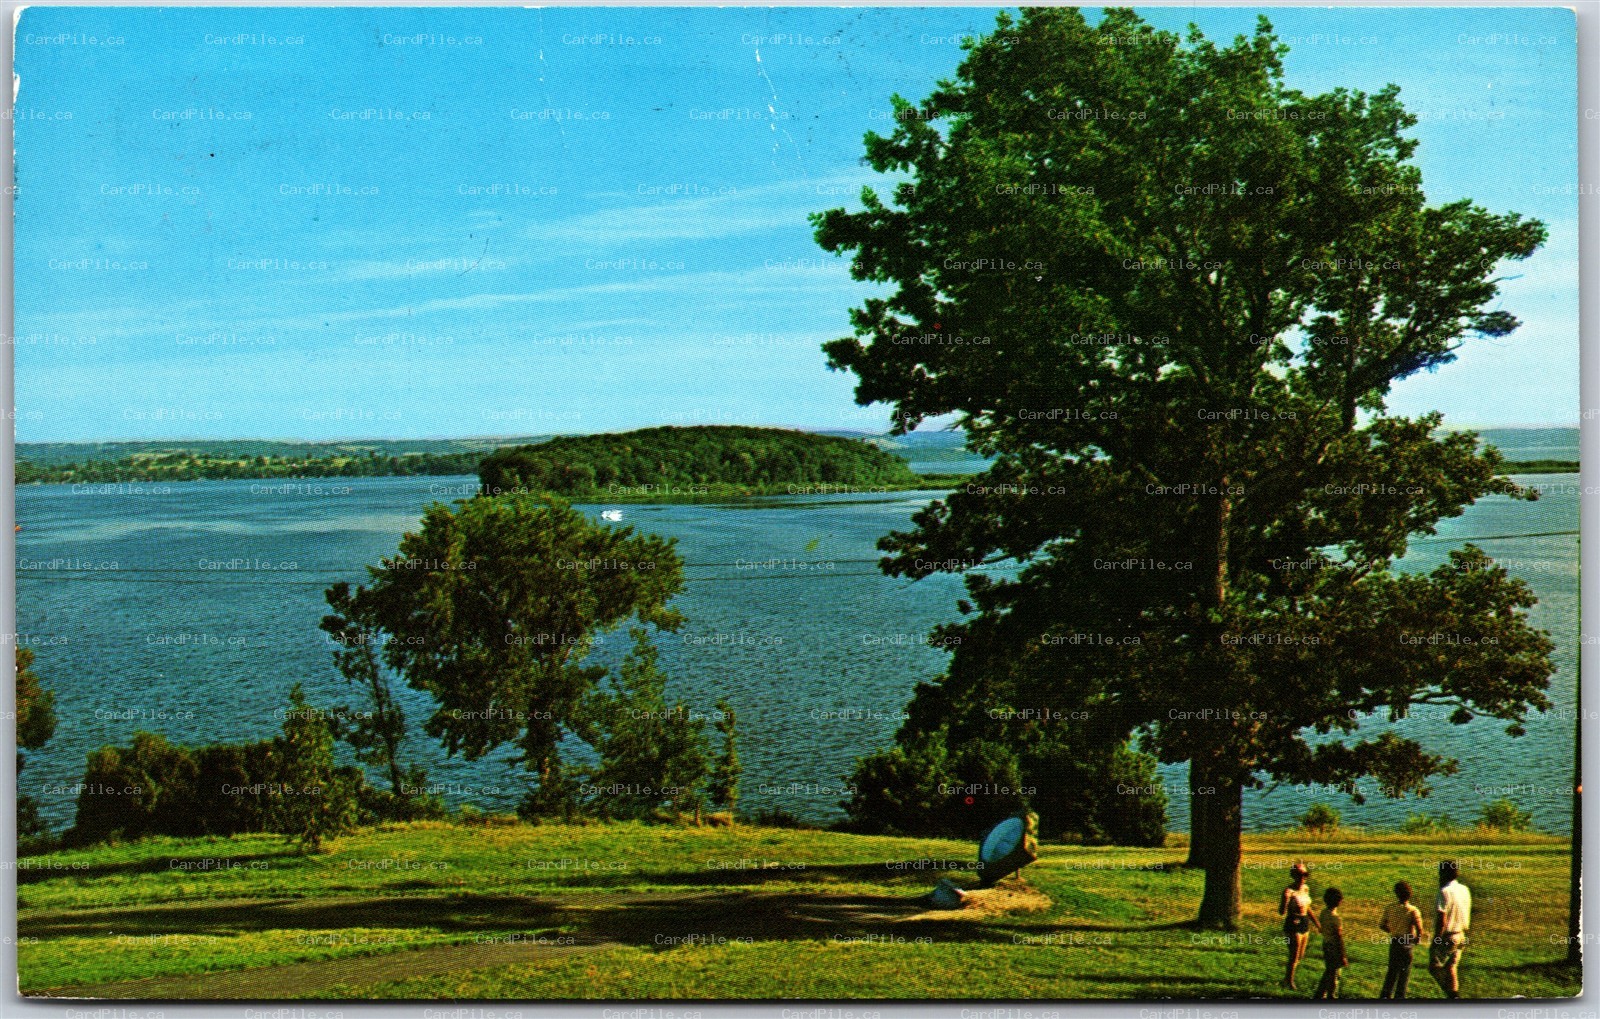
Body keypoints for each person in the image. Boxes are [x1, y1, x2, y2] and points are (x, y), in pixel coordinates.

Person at [1429, 860, 1472, 998]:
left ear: (1444, 873)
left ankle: (1453, 996)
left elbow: (1442, 920)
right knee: (1451, 967)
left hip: (1448, 936)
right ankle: (1454, 997)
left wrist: (1436, 940)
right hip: (1462, 935)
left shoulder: (1444, 892)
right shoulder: (1464, 889)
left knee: (1434, 966)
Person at [1379, 880, 1425, 998]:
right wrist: (1417, 940)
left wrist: (1392, 931)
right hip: (1406, 943)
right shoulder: (1413, 910)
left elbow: (1382, 925)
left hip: (1395, 942)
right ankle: (1400, 997)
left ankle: (1385, 996)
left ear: (1396, 893)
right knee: (1404, 973)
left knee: (1392, 972)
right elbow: (1420, 929)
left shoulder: (1390, 908)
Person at [1279, 863, 1319, 989]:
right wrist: (1285, 900)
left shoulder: (1306, 888)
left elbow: (1308, 908)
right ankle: (1289, 982)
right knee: (1294, 955)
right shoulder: (1289, 891)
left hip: (1304, 921)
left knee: (1300, 955)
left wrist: (1317, 924)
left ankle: (1287, 979)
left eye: (1305, 874)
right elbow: (1281, 912)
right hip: (1293, 922)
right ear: (1293, 875)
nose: (1303, 877)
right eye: (1300, 874)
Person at [1313, 887, 1348, 999]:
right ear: (1338, 901)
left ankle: (1320, 993)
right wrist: (1343, 955)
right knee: (1335, 973)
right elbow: (1339, 938)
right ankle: (1331, 995)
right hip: (1334, 947)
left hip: (1326, 944)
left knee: (1329, 970)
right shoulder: (1336, 918)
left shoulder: (1323, 913)